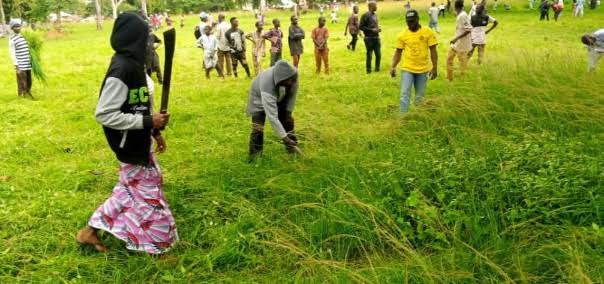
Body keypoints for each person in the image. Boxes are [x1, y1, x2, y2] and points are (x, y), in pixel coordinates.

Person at [76, 12, 177, 255]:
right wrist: (146, 121)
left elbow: (140, 105)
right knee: (150, 195)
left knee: (128, 189)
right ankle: (157, 247)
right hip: (127, 144)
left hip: (138, 141)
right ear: (133, 40)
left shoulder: (135, 66)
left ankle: (89, 232)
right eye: (144, 40)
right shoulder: (121, 70)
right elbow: (104, 114)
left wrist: (154, 131)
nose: (148, 45)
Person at [247, 60, 299, 159]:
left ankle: (292, 150)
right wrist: (284, 138)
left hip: (279, 94)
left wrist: (288, 112)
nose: (291, 83)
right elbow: (272, 117)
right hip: (258, 97)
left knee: (288, 120)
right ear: (281, 79)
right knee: (258, 128)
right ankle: (255, 157)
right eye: (289, 81)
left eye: (292, 80)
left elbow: (292, 96)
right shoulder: (268, 85)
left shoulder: (293, 75)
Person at [390, 10, 438, 113]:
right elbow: (398, 52)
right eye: (408, 21)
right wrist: (393, 66)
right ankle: (403, 117)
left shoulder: (428, 32)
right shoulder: (402, 35)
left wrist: (435, 67)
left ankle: (417, 115)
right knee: (404, 93)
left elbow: (433, 51)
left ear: (418, 19)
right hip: (407, 69)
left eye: (412, 21)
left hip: (423, 69)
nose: (410, 23)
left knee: (419, 96)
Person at [447, 0, 472, 81]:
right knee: (451, 59)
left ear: (455, 6)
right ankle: (450, 78)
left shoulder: (463, 16)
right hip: (458, 43)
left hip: (461, 43)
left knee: (460, 60)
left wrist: (456, 38)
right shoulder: (460, 14)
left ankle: (461, 77)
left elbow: (468, 30)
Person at [8, 19, 33, 99]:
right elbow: (12, 53)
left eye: (19, 26)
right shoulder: (12, 40)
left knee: (29, 80)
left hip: (28, 62)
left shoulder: (24, 37)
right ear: (12, 28)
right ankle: (22, 94)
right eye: (15, 27)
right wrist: (16, 65)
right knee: (22, 80)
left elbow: (29, 48)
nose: (18, 28)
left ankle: (28, 91)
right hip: (20, 63)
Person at [360, 1, 382, 74]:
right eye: (375, 5)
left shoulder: (375, 15)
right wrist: (372, 30)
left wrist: (378, 28)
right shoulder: (365, 15)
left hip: (376, 38)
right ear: (371, 6)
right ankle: (368, 70)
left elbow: (374, 25)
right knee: (369, 54)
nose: (377, 7)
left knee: (378, 54)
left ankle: (377, 69)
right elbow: (361, 27)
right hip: (368, 38)